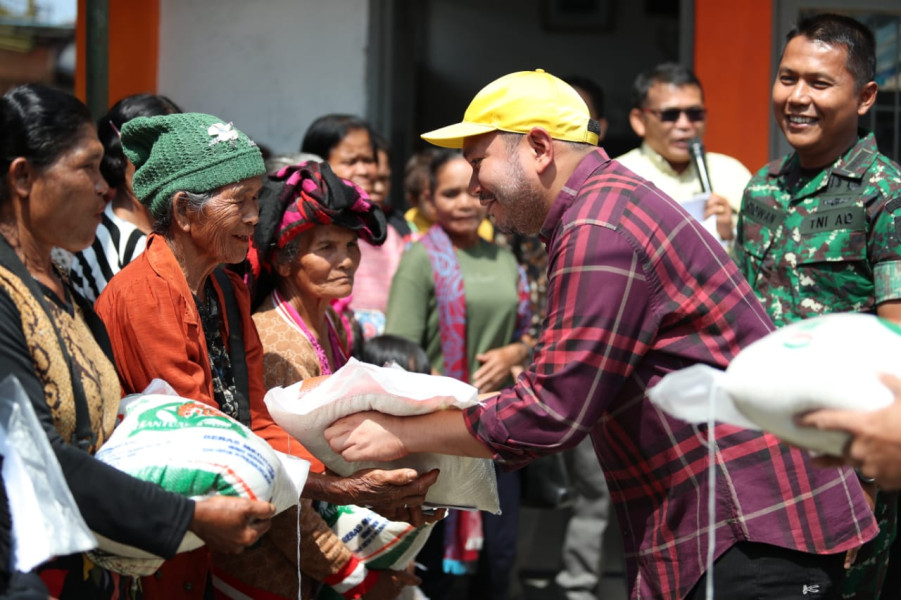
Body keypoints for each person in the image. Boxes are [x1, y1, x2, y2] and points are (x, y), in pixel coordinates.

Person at [323, 69, 879, 600]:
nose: (473, 187)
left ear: (539, 148)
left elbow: (551, 410)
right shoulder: (602, 208)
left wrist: (402, 433)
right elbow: (563, 391)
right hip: (731, 526)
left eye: (478, 162)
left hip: (745, 527)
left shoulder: (599, 227)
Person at [95, 113, 435, 600]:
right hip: (160, 543)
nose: (256, 216)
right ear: (186, 211)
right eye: (241, 202)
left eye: (257, 198)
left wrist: (353, 480)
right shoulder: (147, 296)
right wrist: (341, 489)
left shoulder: (226, 289)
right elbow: (205, 442)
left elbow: (254, 420)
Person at [0, 84, 275, 600]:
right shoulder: (6, 298)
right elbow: (40, 455)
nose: (106, 188)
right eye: (86, 168)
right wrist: (187, 515)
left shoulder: (65, 296)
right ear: (22, 177)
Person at [734, 14, 901, 599]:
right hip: (757, 460)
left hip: (845, 467)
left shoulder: (886, 195)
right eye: (787, 78)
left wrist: (873, 484)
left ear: (865, 97)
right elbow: (742, 320)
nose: (797, 98)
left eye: (819, 83)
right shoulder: (762, 189)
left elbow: (896, 344)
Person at [240, 160, 424, 600]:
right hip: (276, 568)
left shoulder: (336, 328)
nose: (346, 261)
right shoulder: (274, 341)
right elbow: (284, 491)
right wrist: (355, 578)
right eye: (326, 247)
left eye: (350, 244)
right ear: (284, 261)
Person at [384, 149, 530, 600]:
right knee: (441, 571)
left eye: (472, 190)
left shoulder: (503, 257)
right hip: (443, 433)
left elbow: (530, 332)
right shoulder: (419, 259)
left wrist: (515, 353)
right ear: (429, 201)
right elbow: (400, 352)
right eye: (450, 193)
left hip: (500, 429)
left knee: (499, 560)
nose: (465, 202)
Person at [616, 63, 751, 246]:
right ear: (639, 120)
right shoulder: (618, 176)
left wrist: (729, 236)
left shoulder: (733, 173)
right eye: (670, 115)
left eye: (694, 114)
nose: (684, 125)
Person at [68, 93, 182, 302]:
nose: (168, 164)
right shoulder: (110, 245)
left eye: (177, 151)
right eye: (152, 150)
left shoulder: (166, 231)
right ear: (121, 151)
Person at [301, 115, 407, 340]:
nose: (366, 170)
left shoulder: (384, 231)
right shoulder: (302, 229)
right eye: (351, 161)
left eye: (369, 160)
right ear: (317, 163)